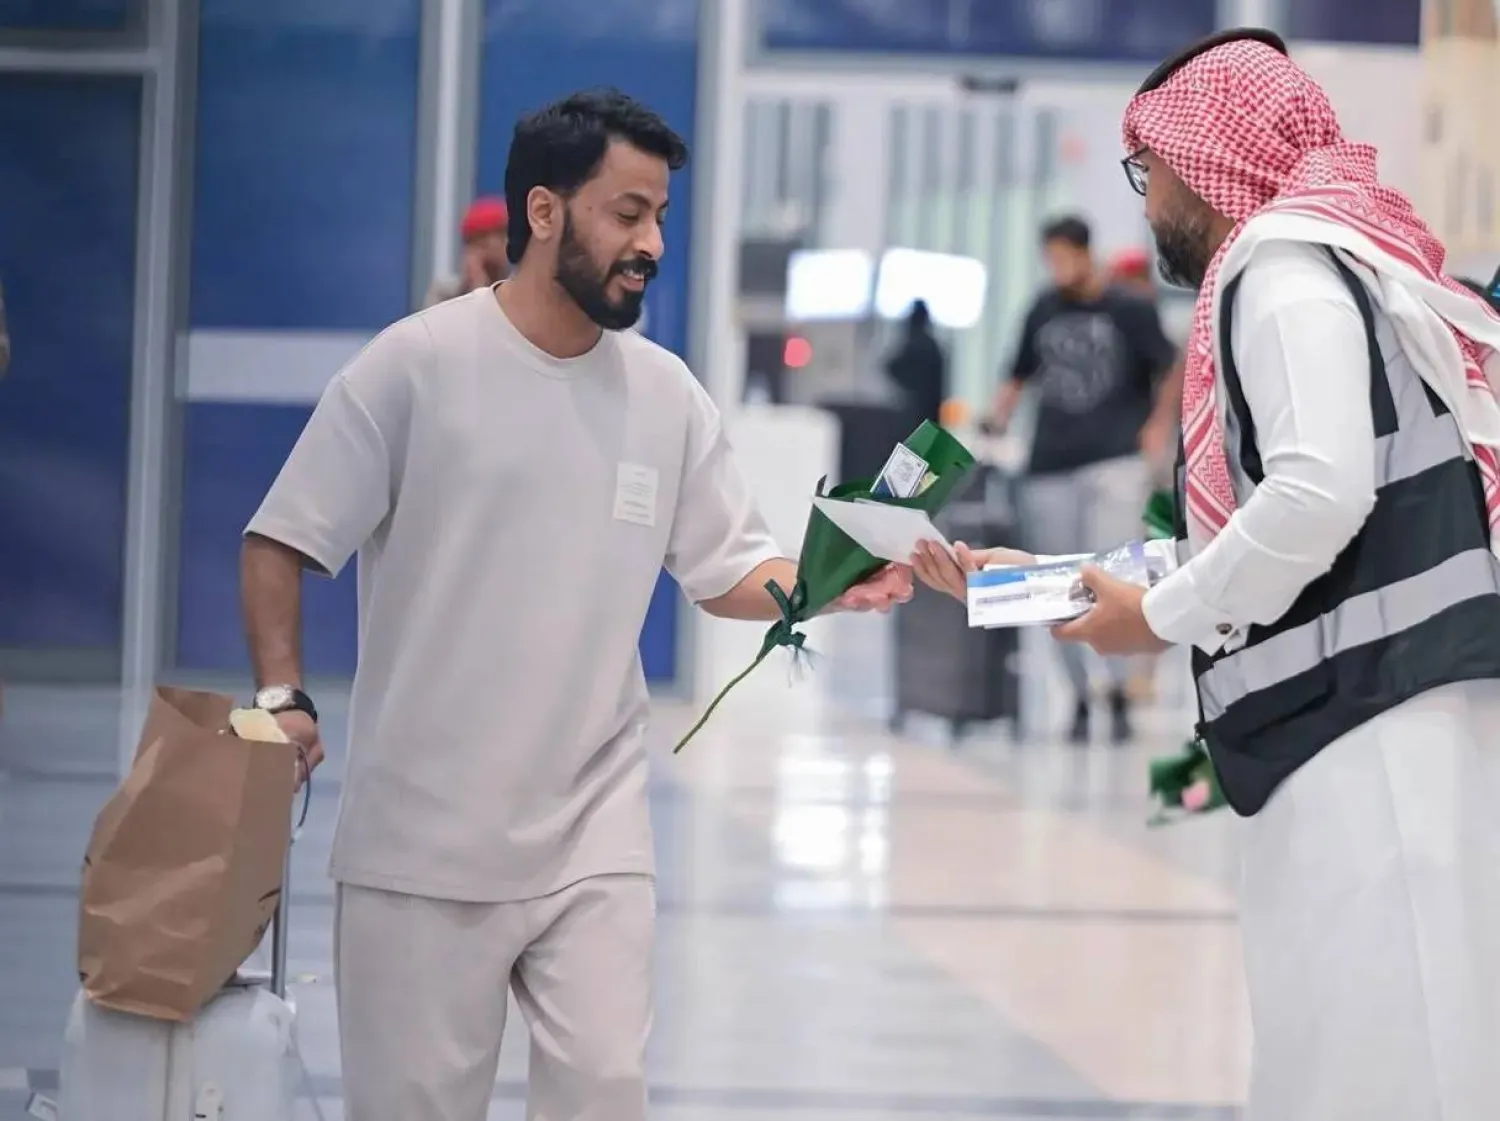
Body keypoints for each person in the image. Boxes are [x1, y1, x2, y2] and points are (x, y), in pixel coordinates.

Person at [239, 88, 912, 1121]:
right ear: (544, 212)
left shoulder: (666, 392)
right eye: (626, 212)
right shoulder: (415, 366)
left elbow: (726, 566)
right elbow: (279, 539)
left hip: (593, 829)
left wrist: (834, 582)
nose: (649, 243)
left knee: (603, 1088)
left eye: (659, 218)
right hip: (421, 840)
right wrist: (282, 692)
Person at [917, 28, 1500, 1121]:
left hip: (1372, 733)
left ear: (1207, 159)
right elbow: (1284, 524)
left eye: (1154, 171)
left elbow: (1317, 496)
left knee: (1377, 1058)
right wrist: (1053, 581)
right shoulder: (1333, 259)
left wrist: (1166, 613)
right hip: (1378, 716)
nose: (1150, 202)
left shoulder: (1280, 264)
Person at [986, 214, 1178, 743]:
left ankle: (1117, 691)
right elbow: (1017, 375)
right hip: (1050, 461)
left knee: (1113, 573)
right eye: (1050, 259)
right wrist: (996, 417)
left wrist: (1158, 426)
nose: (1057, 268)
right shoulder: (1043, 308)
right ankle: (1076, 692)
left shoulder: (1129, 308)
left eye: (1064, 257)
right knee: (1055, 584)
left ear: (1084, 252)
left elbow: (1170, 364)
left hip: (1115, 458)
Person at [422, 195, 511, 308]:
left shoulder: (522, 293)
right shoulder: (444, 293)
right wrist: (476, 286)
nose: (494, 247)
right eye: (481, 242)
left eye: (501, 236)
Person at [883, 298, 947, 428]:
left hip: (913, 409)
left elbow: (892, 367)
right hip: (930, 410)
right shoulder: (933, 346)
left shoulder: (914, 344)